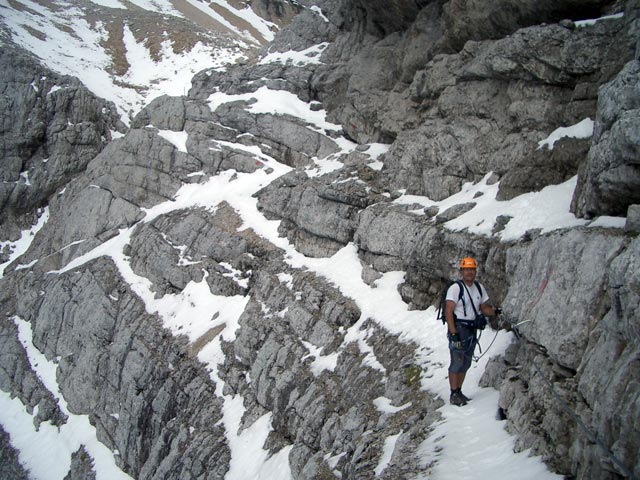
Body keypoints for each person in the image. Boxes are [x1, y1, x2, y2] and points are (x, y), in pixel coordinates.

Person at [444, 257, 501, 406]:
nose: (469, 272)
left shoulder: (478, 288)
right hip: (459, 328)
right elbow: (448, 311)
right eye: (467, 269)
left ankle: (458, 391)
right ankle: (454, 393)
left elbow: (484, 307)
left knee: (466, 362)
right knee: (456, 362)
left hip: (471, 329)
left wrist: (494, 312)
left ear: (475, 271)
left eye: (472, 269)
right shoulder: (456, 289)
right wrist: (453, 333)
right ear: (462, 271)